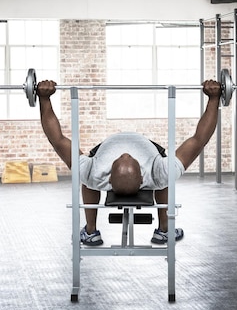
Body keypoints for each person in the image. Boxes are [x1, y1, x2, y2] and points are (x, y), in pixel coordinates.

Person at [38, 79, 221, 246]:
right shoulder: (158, 172)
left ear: (108, 178)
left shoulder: (95, 172)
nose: (125, 153)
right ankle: (165, 230)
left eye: (123, 157)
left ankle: (90, 231)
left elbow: (58, 139)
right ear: (143, 178)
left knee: (87, 179)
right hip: (151, 155)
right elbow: (199, 140)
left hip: (103, 158)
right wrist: (214, 99)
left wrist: (44, 99)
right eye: (127, 157)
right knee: (165, 176)